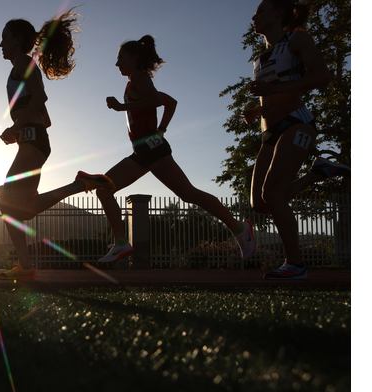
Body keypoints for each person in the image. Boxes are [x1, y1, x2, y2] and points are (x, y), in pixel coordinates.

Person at [96, 35, 257, 264]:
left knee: (188, 193)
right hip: (145, 148)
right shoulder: (135, 82)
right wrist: (161, 128)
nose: (117, 63)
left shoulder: (139, 76)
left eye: (120, 57)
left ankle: (240, 228)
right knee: (104, 188)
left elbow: (154, 99)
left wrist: (123, 107)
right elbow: (170, 102)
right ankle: (121, 243)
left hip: (151, 148)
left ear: (134, 57)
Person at [0, 8, 116, 281]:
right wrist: (23, 126)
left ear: (18, 39)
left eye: (4, 38)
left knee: (8, 205)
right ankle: (81, 184)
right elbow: (44, 118)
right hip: (35, 141)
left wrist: (16, 127)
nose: (0, 44)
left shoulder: (23, 64)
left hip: (33, 142)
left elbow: (40, 99)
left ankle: (25, 266)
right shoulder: (22, 66)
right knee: (22, 208)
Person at [243, 0, 349, 280]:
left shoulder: (297, 39)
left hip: (297, 122)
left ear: (278, 12)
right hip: (270, 130)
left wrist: (275, 88)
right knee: (260, 203)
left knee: (273, 194)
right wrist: (258, 109)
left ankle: (296, 264)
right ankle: (317, 173)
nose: (254, 18)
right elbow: (274, 94)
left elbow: (322, 76)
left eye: (260, 12)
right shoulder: (261, 56)